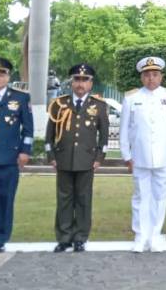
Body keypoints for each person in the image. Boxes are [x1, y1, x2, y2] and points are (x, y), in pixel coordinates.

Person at [120, 56, 166, 253]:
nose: (151, 78)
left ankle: (155, 235)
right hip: (139, 157)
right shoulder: (131, 98)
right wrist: (126, 156)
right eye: (147, 75)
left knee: (159, 197)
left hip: (164, 156)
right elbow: (124, 130)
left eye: (155, 74)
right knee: (140, 197)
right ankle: (140, 236)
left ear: (161, 76)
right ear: (142, 77)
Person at [45, 63, 109, 253]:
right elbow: (50, 134)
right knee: (64, 199)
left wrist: (99, 157)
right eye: (77, 79)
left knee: (83, 199)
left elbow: (104, 136)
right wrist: (51, 155)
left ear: (91, 83)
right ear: (72, 82)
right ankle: (64, 237)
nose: (80, 84)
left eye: (85, 80)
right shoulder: (59, 104)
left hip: (86, 160)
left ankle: (80, 237)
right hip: (63, 159)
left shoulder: (98, 106)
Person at [0, 57, 33, 253]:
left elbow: (28, 129)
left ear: (8, 77)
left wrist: (25, 152)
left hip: (8, 160)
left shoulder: (21, 98)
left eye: (2, 74)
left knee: (5, 202)